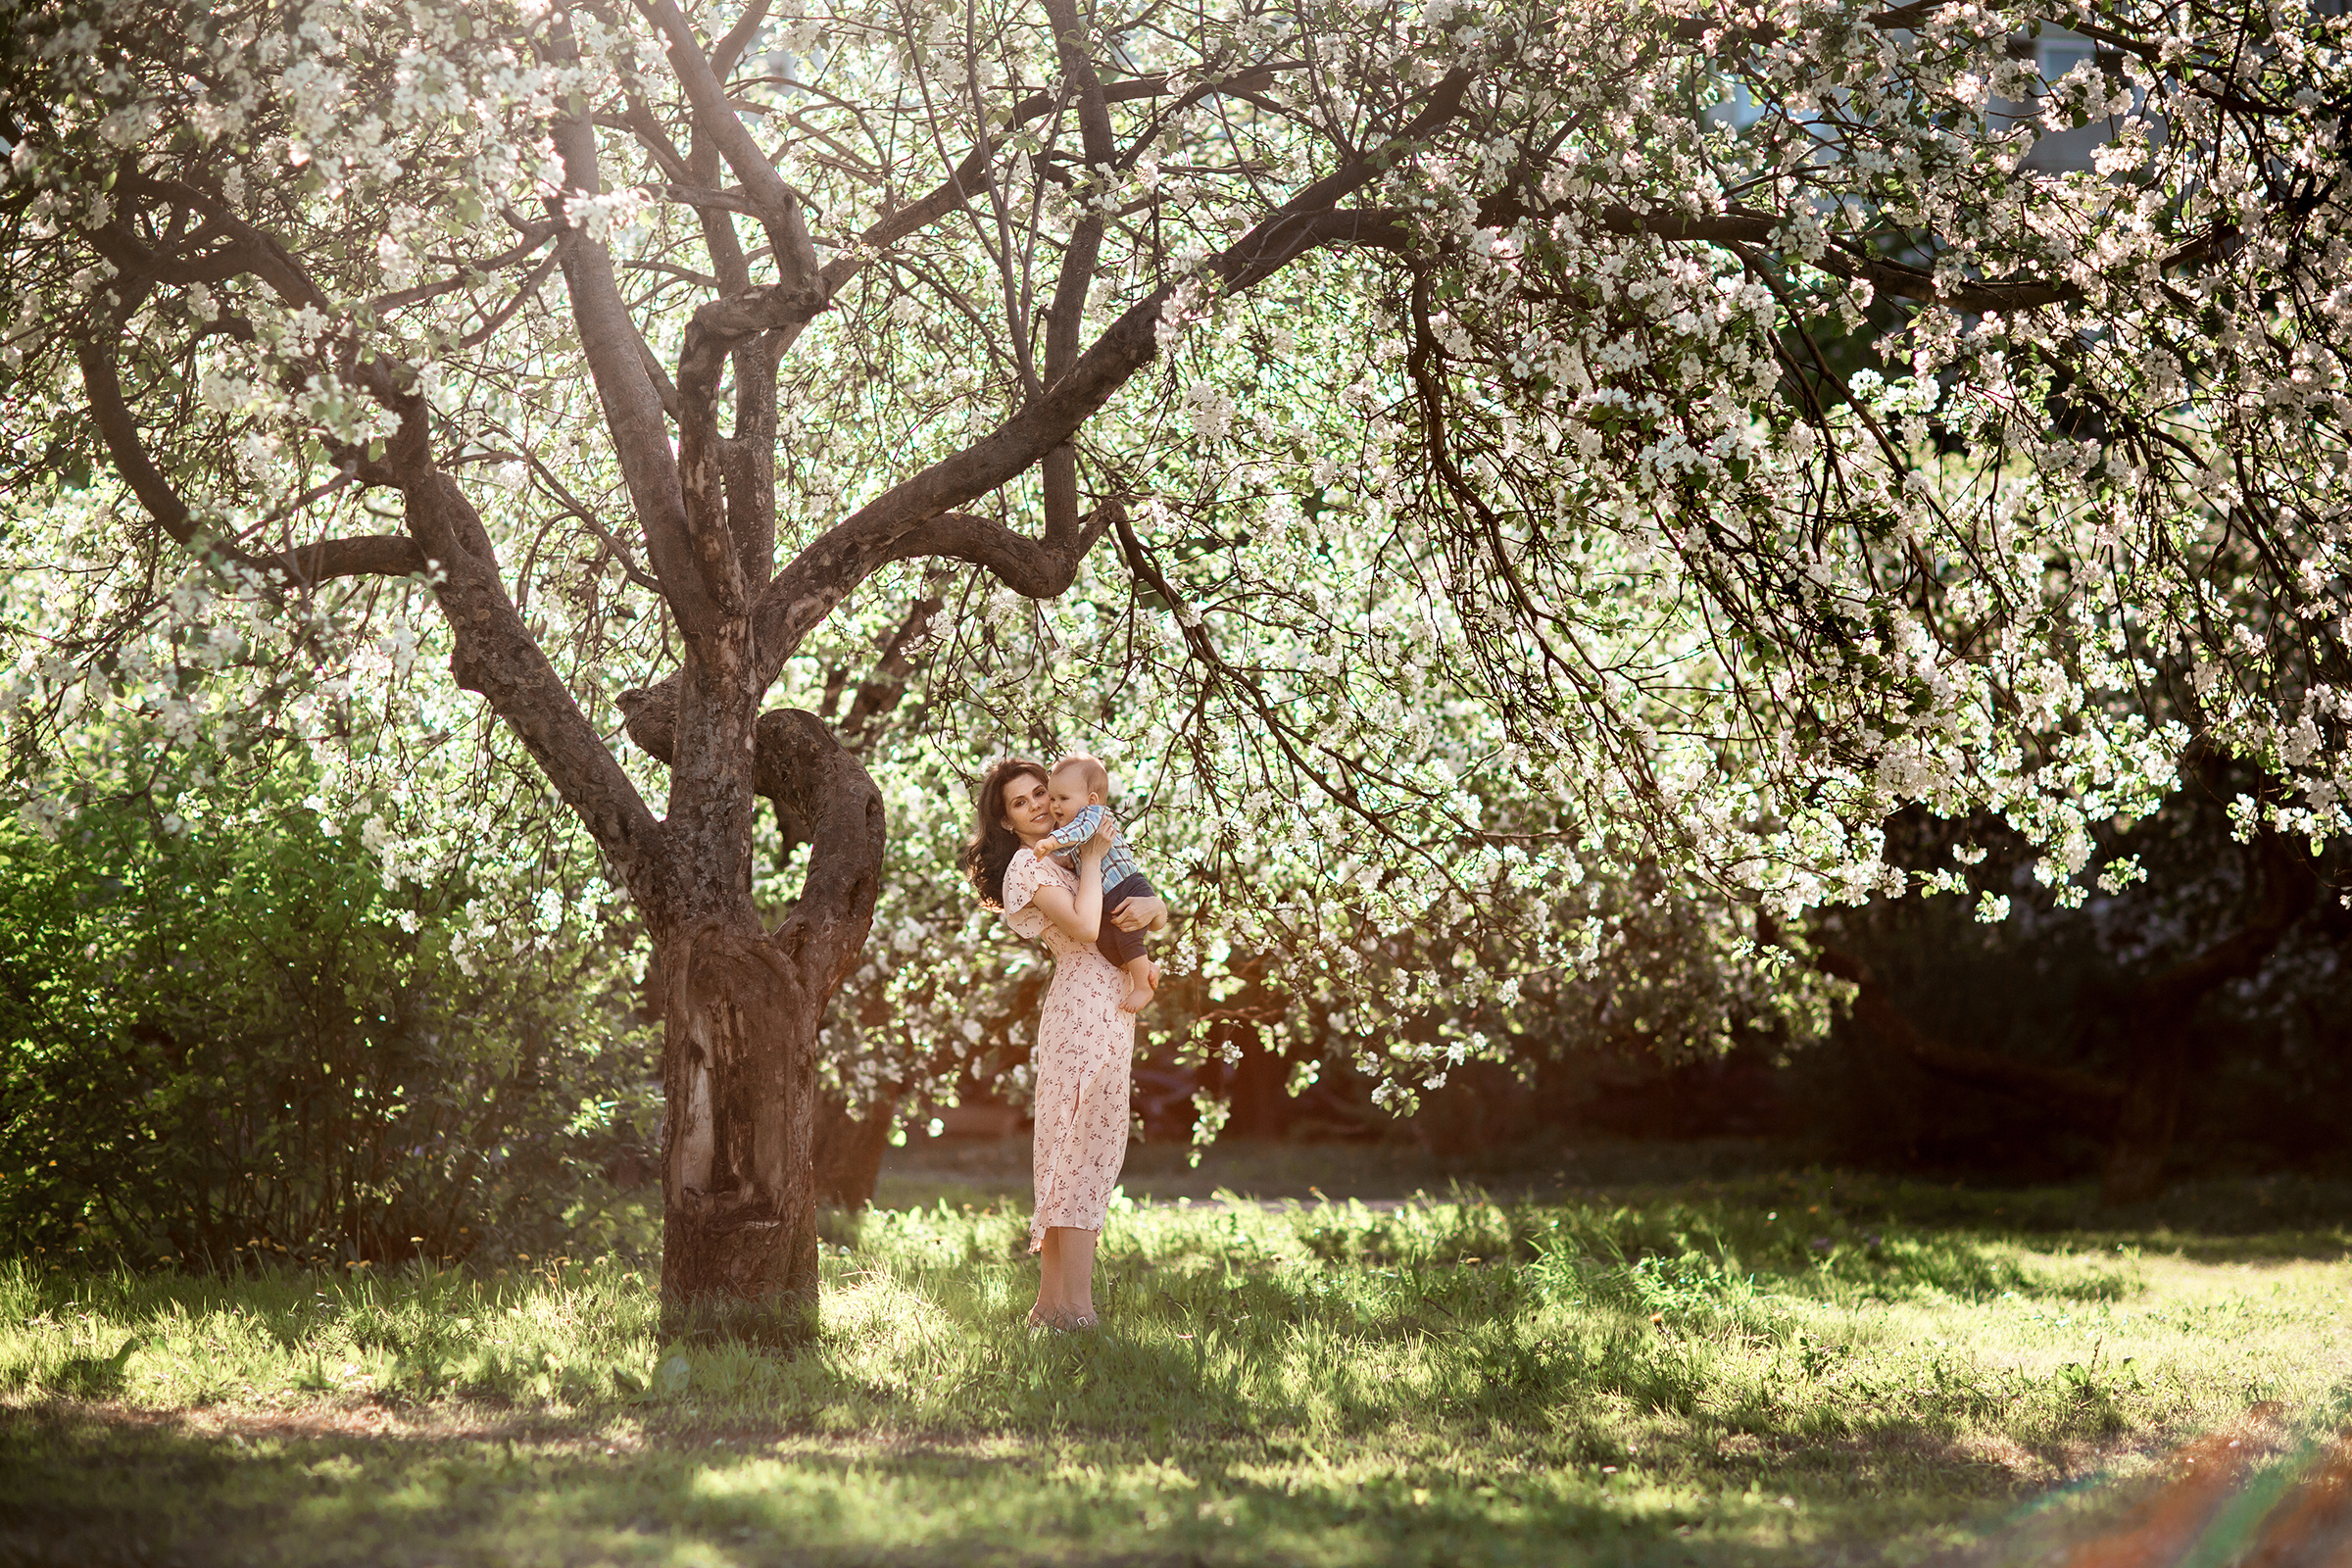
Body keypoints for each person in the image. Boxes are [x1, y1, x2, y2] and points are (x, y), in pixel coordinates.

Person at [963, 757, 1168, 1329]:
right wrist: (1096, 856)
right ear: (1006, 821)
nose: (1037, 807)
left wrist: (1157, 907)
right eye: (1020, 803)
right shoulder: (1028, 867)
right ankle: (1077, 1309)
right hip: (1083, 1007)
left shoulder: (1069, 855)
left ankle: (1051, 1308)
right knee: (1080, 1151)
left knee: (1079, 1150)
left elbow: (1131, 909)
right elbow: (1084, 927)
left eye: (1040, 794)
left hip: (1106, 1003)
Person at [1028, 753, 1161, 1013]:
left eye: (1063, 798)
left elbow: (1077, 832)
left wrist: (1051, 842)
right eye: (1052, 798)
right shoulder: (1077, 826)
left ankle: (1143, 987)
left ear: (1091, 800)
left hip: (1127, 887)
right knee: (1107, 944)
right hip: (1111, 895)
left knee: (1127, 937)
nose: (1054, 806)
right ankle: (1145, 968)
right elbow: (1075, 850)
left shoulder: (1093, 816)